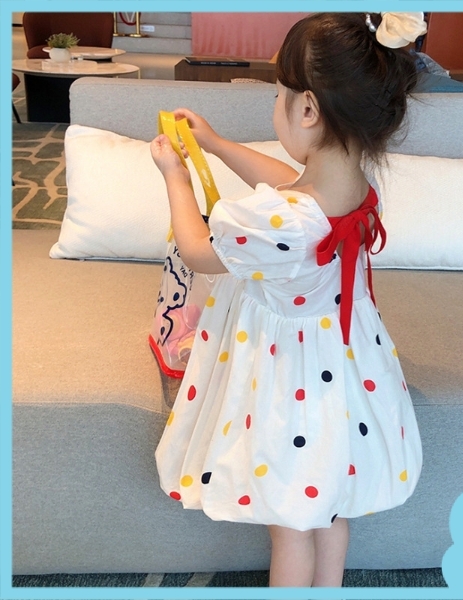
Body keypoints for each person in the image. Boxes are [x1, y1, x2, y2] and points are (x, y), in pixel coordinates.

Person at [150, 12, 426, 588]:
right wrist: (217, 145)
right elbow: (287, 178)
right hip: (340, 363)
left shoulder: (280, 221)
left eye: (277, 94)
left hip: (289, 380)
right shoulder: (354, 184)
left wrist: (175, 175)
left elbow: (198, 252)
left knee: (291, 526)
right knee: (328, 511)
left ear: (307, 110)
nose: (275, 105)